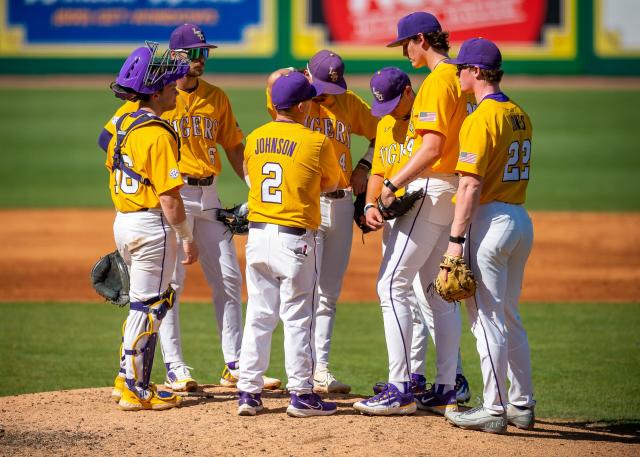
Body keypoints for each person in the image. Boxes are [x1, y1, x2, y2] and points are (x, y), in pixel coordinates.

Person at [100, 24, 281, 397]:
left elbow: (233, 145)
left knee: (229, 280)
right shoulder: (152, 98)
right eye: (194, 53)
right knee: (170, 288)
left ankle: (235, 365)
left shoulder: (217, 98)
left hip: (207, 195)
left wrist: (254, 186)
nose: (201, 59)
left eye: (205, 52)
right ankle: (175, 369)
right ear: (177, 56)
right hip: (169, 199)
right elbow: (108, 138)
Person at [359, 11, 474, 415]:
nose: (404, 51)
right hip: (454, 190)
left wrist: (391, 185)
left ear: (422, 39)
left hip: (435, 184)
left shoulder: (436, 81)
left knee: (391, 285)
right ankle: (445, 385)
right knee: (434, 290)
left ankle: (400, 387)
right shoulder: (460, 77)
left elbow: (431, 148)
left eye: (406, 43)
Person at [265, 51, 378, 394]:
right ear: (307, 76)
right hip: (305, 204)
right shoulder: (295, 98)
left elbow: (383, 132)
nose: (329, 91)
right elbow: (272, 87)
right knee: (301, 290)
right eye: (323, 83)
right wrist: (289, 74)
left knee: (328, 292)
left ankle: (321, 369)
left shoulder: (347, 101)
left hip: (342, 203)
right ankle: (300, 367)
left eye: (334, 84)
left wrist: (364, 166)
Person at [443, 38, 535, 434]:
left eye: (463, 68)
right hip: (519, 220)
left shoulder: (480, 118)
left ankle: (494, 409)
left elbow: (469, 186)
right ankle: (521, 405)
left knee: (486, 321)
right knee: (509, 317)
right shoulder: (518, 113)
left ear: (477, 72)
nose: (459, 73)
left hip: (489, 223)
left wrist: (455, 241)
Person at [236, 71, 341, 417]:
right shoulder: (315, 141)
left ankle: (248, 393)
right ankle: (301, 394)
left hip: (257, 236)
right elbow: (332, 183)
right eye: (309, 99)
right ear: (299, 105)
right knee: (298, 317)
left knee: (259, 315)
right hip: (294, 241)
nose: (312, 103)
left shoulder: (254, 137)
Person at [105, 42, 198, 411]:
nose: (177, 89)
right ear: (156, 92)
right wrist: (186, 238)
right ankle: (136, 388)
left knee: (141, 306)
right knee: (151, 306)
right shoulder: (158, 134)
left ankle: (125, 376)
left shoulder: (124, 122)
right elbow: (171, 200)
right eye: (172, 87)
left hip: (124, 222)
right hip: (151, 228)